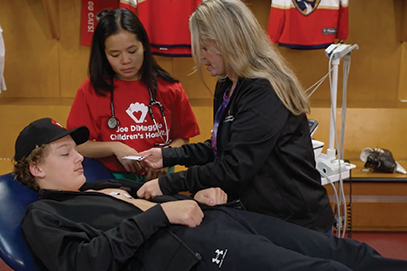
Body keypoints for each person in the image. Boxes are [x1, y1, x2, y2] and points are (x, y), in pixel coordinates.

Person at [12, 117, 407, 271]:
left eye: (76, 150)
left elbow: (152, 196)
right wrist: (161, 215)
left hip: (218, 219)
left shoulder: (96, 186)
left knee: (341, 252)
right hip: (191, 250)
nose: (79, 159)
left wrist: (198, 193)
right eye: (66, 154)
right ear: (36, 168)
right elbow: (84, 264)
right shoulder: (44, 217)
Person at [137, 0, 333, 232]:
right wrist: (167, 156)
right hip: (261, 215)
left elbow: (235, 166)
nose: (200, 57)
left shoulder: (263, 90)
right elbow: (222, 147)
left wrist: (167, 182)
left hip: (296, 221)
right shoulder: (227, 84)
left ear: (228, 42)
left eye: (205, 48)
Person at [66, 8, 200, 183]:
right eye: (115, 54)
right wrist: (115, 148)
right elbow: (78, 145)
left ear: (144, 45)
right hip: (111, 181)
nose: (125, 60)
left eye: (132, 51)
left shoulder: (170, 87)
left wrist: (167, 158)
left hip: (160, 181)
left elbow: (183, 137)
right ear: (104, 54)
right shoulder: (90, 90)